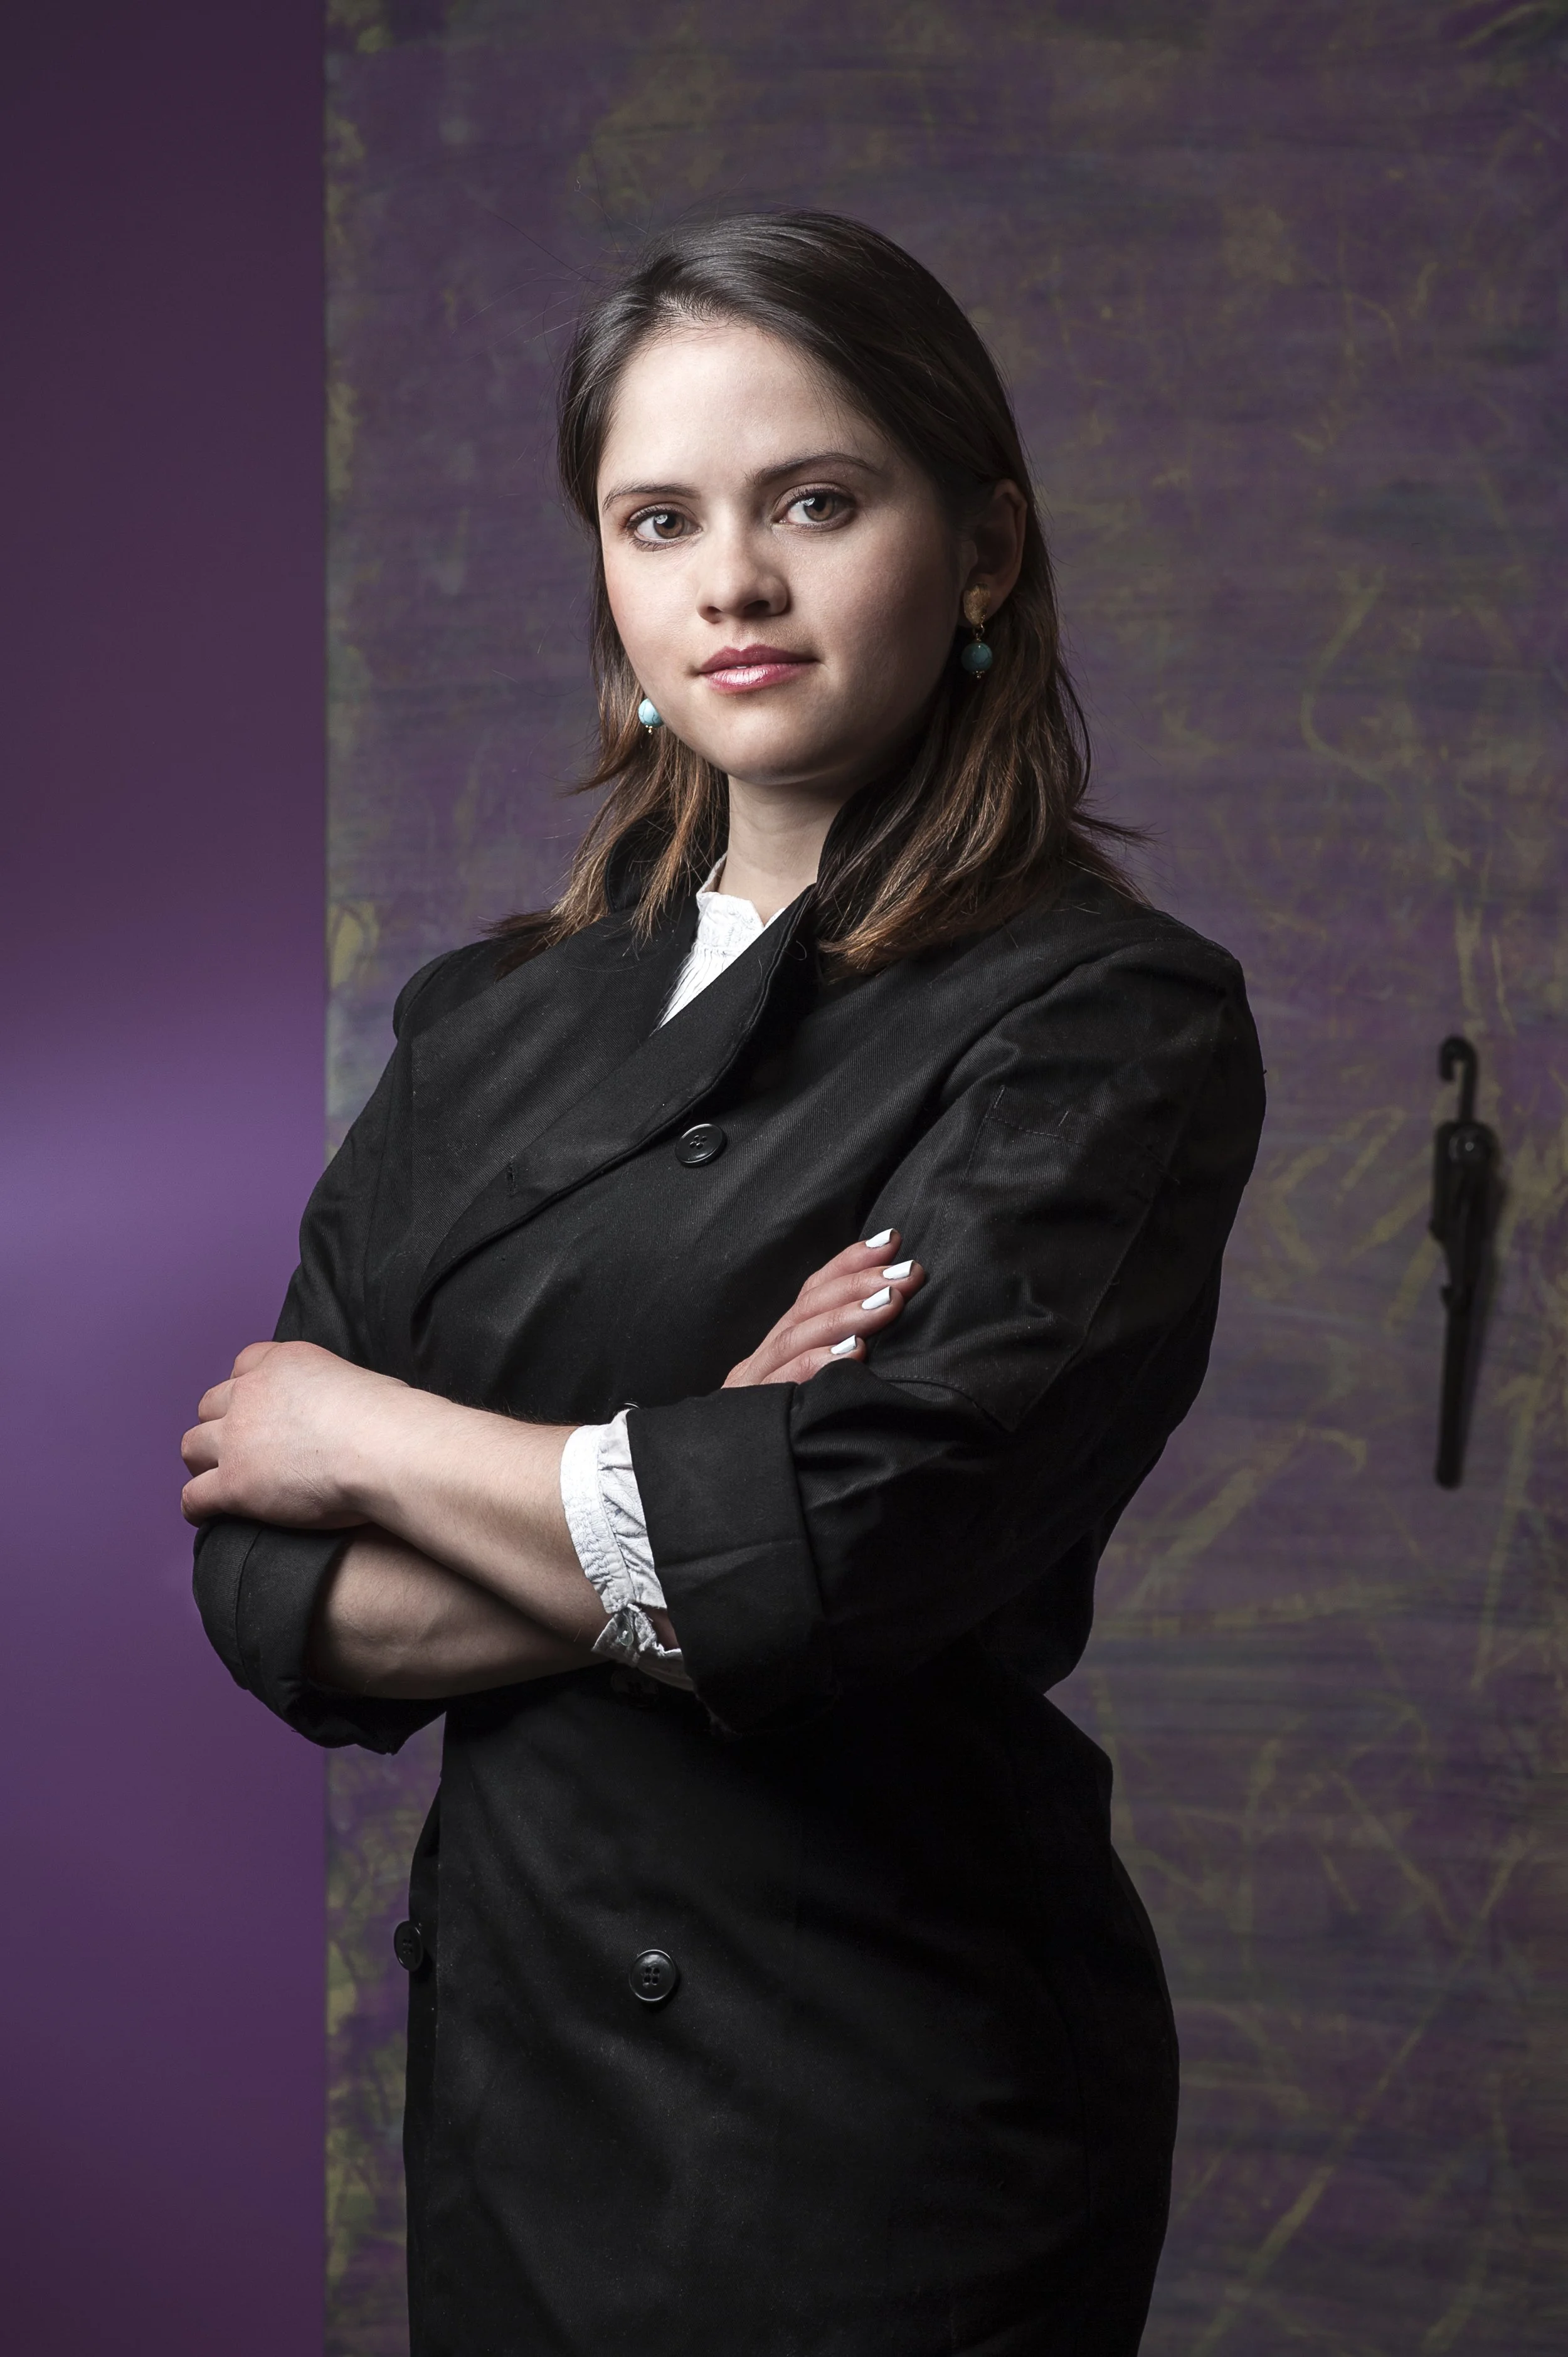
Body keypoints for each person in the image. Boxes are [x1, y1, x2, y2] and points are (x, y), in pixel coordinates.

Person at [186, 212, 1264, 2357]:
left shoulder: (1102, 1019)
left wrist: (378, 1432)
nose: (731, 584)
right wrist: (694, 1479)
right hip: (520, 2084)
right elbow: (267, 1602)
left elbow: (855, 1545)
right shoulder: (482, 1023)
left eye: (817, 501)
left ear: (979, 552)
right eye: (657, 517)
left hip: (876, 2104)